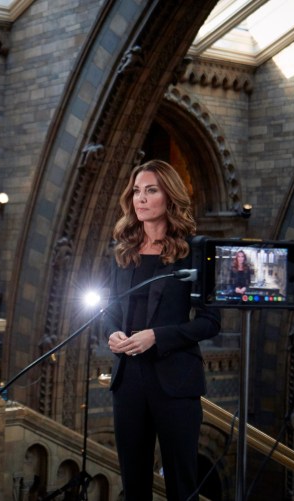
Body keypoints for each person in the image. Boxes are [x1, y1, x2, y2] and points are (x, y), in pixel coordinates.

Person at [103, 159, 220, 501]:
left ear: (169, 197)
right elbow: (109, 309)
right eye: (137, 191)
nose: (140, 198)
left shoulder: (195, 252)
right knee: (134, 483)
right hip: (129, 381)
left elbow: (210, 321)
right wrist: (112, 333)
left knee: (181, 486)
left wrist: (158, 336)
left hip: (176, 382)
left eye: (150, 190)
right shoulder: (124, 252)